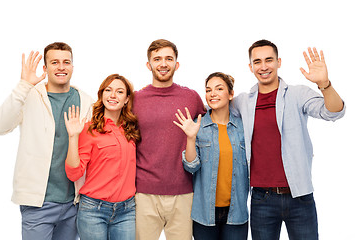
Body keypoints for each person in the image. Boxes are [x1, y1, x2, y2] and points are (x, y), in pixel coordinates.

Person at [232, 39, 345, 240]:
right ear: (250, 67)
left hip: (299, 196)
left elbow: (333, 112)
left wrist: (324, 85)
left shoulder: (297, 94)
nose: (264, 66)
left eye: (269, 60)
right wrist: (222, 87)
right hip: (261, 199)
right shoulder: (242, 101)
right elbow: (217, 114)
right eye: (257, 62)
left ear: (279, 62)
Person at [0, 42, 94, 240]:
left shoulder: (86, 100)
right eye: (54, 62)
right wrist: (24, 85)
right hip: (38, 203)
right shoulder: (29, 96)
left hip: (74, 204)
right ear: (45, 68)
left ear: (73, 66)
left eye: (66, 62)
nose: (61, 67)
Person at [132, 39, 206, 240]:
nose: (163, 64)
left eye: (168, 59)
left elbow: (213, 124)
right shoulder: (135, 99)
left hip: (183, 193)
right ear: (149, 65)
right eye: (157, 59)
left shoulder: (191, 97)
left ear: (176, 64)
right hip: (144, 193)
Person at [174, 72, 249, 240]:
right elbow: (191, 166)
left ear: (231, 94)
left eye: (219, 89)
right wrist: (191, 137)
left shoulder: (243, 127)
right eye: (208, 90)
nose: (212, 94)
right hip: (204, 213)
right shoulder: (197, 125)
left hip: (236, 212)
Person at [64, 74, 140, 240]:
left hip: (127, 211)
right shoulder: (88, 129)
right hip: (93, 211)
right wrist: (73, 137)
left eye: (119, 92)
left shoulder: (131, 130)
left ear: (127, 99)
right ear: (101, 94)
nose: (113, 95)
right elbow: (74, 173)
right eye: (108, 90)